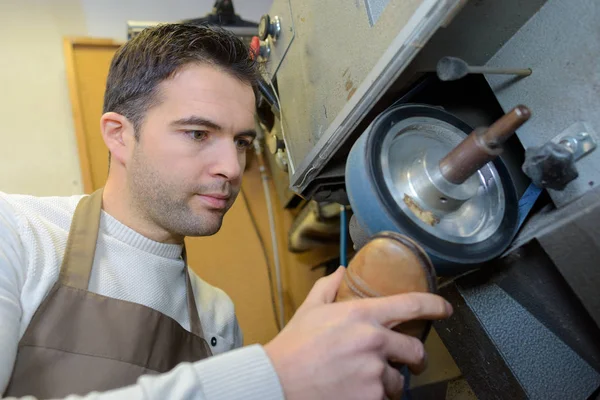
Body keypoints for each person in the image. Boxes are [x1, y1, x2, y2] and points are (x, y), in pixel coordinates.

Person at [0, 23, 452, 400]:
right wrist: (273, 374)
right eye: (198, 134)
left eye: (241, 142)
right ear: (119, 135)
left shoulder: (216, 314)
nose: (232, 168)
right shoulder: (18, 235)